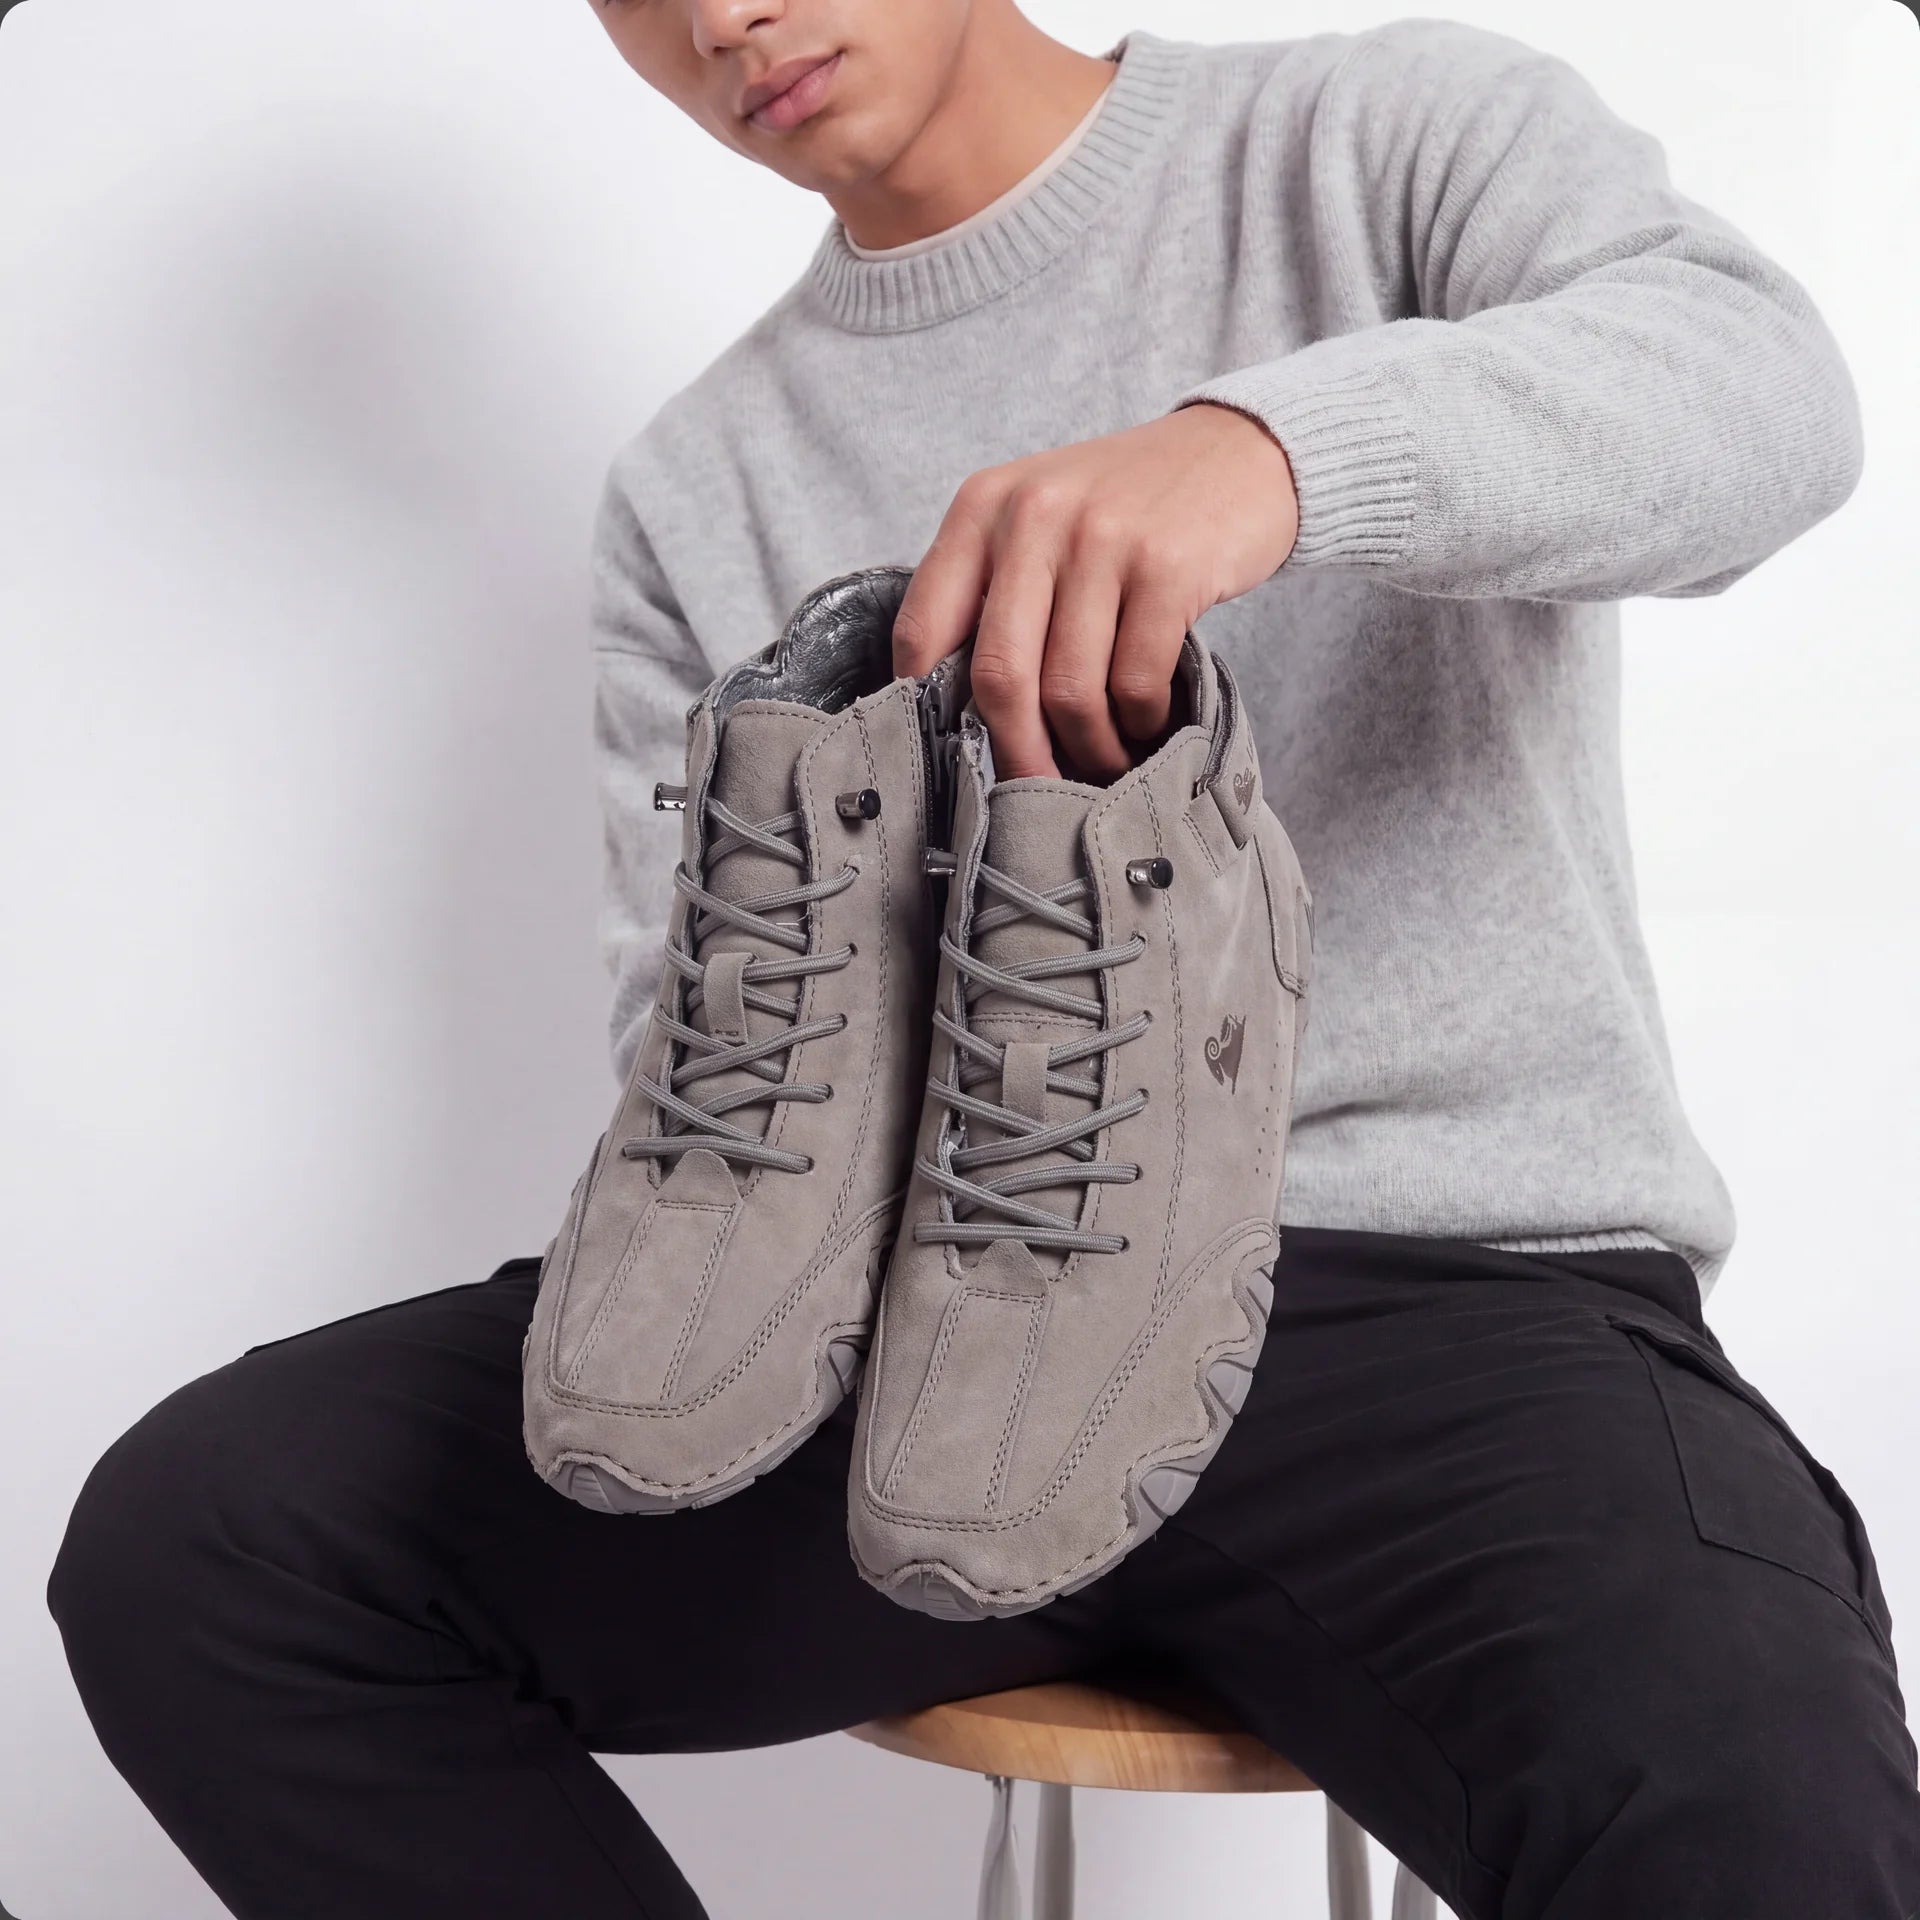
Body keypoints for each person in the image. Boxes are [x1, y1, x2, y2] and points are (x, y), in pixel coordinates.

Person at [47, 3, 1920, 1916]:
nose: (719, 16)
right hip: (915, 1322)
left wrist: (1266, 455)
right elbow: (689, 1053)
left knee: (1759, 1824)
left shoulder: (1376, 139)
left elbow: (1766, 395)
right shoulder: (700, 479)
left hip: (1446, 1305)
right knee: (214, 1544)